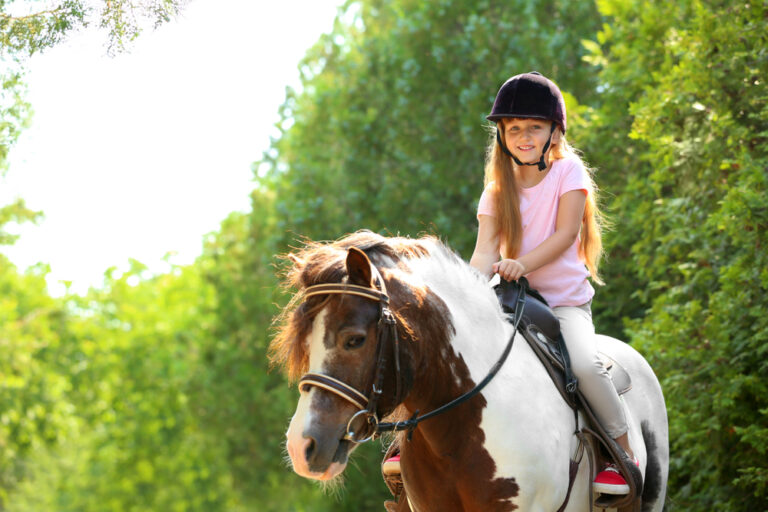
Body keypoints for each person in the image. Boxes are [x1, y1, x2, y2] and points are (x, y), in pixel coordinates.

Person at [468, 71, 636, 495]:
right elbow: (485, 252)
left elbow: (564, 237)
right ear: (503, 135)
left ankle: (621, 453)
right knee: (451, 348)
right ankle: (404, 441)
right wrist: (466, 294)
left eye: (535, 128)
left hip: (563, 304)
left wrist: (520, 263)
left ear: (554, 133)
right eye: (515, 129)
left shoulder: (569, 173)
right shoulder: (495, 191)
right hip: (511, 301)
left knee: (583, 365)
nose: (525, 137)